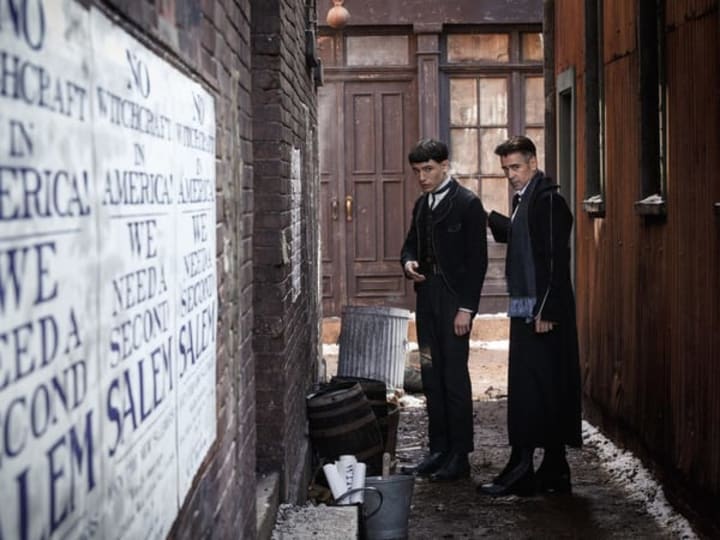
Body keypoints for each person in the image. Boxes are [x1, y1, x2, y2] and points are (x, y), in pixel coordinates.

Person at [478, 135, 582, 497]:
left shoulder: (549, 200)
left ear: (533, 163)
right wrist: (489, 219)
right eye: (505, 169)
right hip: (528, 308)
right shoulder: (526, 199)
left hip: (544, 311)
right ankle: (554, 469)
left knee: (540, 388)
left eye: (516, 167)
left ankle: (526, 466)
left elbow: (555, 258)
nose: (510, 175)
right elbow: (524, 239)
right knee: (537, 387)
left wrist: (546, 309)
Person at [400, 138, 488, 481]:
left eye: (428, 169)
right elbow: (410, 244)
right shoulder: (422, 205)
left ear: (444, 166)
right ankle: (438, 449)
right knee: (430, 373)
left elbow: (477, 262)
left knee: (453, 377)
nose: (422, 177)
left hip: (454, 301)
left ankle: (459, 455)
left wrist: (467, 308)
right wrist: (408, 262)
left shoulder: (467, 203)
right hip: (427, 299)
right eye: (417, 171)